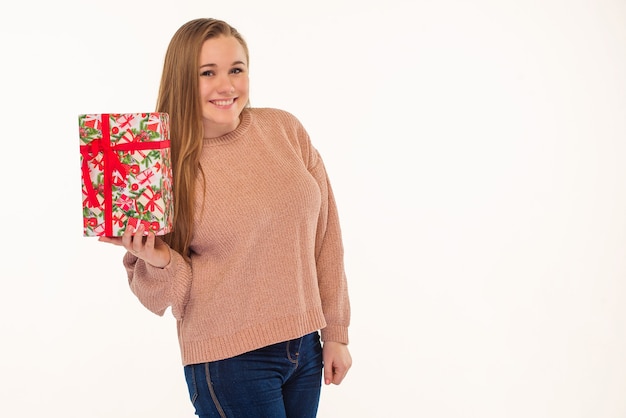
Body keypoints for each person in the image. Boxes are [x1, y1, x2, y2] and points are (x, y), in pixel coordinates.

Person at [99, 17, 351, 418]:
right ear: (182, 80)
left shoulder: (284, 129)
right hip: (230, 361)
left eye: (236, 69)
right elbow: (160, 295)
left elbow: (326, 236)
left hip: (305, 349)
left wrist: (335, 331)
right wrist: (161, 260)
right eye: (207, 73)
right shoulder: (155, 166)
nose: (226, 85)